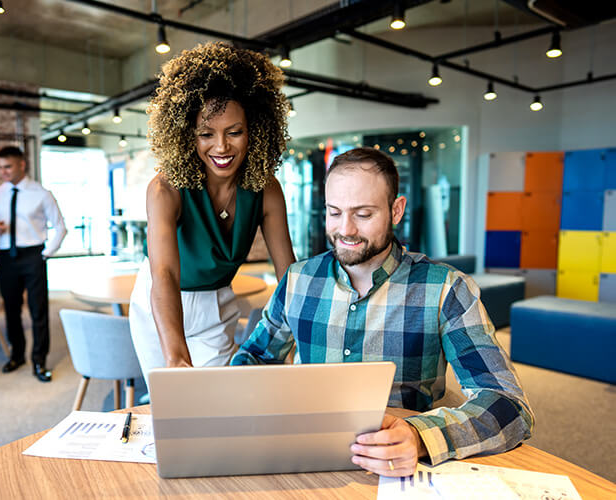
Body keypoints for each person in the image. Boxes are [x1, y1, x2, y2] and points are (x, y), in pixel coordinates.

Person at [231, 147, 534, 476]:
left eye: (363, 215)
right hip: (308, 460)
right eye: (334, 212)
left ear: (396, 210)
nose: (345, 229)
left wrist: (420, 436)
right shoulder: (297, 280)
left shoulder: (446, 288)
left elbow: (509, 404)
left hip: (402, 466)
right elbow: (254, 360)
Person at [129, 42, 296, 376]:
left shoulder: (267, 190)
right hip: (160, 307)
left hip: (215, 305)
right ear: (187, 135)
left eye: (235, 132)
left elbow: (287, 275)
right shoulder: (165, 190)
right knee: (173, 409)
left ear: (256, 131)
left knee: (219, 404)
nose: (221, 147)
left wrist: (300, 339)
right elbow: (165, 274)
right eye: (206, 134)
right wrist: (176, 358)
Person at [0, 146, 66, 382]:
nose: (3, 172)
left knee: (38, 310)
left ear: (22, 164)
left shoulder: (42, 193)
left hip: (33, 256)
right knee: (10, 310)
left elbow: (60, 227)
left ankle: (39, 361)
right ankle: (17, 355)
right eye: (0, 167)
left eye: (8, 167)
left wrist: (45, 254)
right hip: (6, 256)